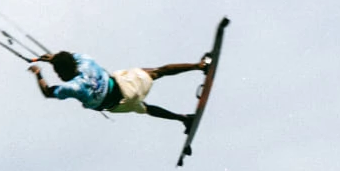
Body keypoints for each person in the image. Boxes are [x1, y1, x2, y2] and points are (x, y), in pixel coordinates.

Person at [28, 49, 209, 125]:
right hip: (126, 85)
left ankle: (183, 119)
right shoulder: (85, 61)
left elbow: (47, 92)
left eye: (59, 74)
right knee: (158, 71)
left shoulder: (73, 87)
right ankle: (200, 66)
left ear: (63, 73)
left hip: (119, 105)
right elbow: (70, 56)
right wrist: (53, 59)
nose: (59, 77)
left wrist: (38, 73)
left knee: (145, 109)